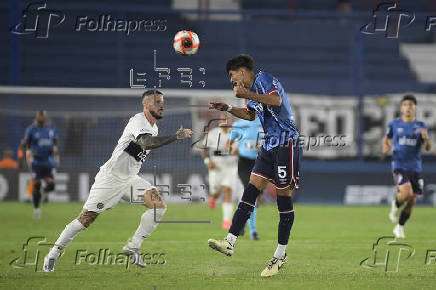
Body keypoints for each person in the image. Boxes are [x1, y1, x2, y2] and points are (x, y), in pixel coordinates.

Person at [43, 90, 192, 272]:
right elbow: (146, 143)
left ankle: (133, 246)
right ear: (145, 105)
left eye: (163, 102)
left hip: (129, 180)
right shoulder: (138, 121)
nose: (162, 106)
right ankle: (53, 252)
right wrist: (175, 136)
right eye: (157, 102)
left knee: (158, 206)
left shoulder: (154, 127)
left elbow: (145, 145)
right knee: (86, 219)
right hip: (111, 179)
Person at [208, 54, 302, 277]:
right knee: (251, 188)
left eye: (232, 76)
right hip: (269, 144)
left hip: (286, 143)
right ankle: (229, 241)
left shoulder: (265, 79)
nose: (232, 81)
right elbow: (250, 115)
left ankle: (280, 255)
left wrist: (246, 94)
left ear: (242, 72)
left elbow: (276, 101)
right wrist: (229, 107)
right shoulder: (252, 93)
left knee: (283, 198)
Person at [383, 95, 432, 238]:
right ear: (401, 108)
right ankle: (395, 205)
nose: (408, 108)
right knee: (407, 193)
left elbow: (427, 147)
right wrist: (385, 145)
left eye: (410, 105)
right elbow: (386, 138)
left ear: (415, 108)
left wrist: (426, 138)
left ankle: (399, 227)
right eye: (405, 105)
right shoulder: (394, 124)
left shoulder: (421, 126)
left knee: (412, 201)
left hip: (415, 167)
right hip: (399, 164)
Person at [227, 114, 263, 240]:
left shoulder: (264, 122)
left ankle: (240, 222)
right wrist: (232, 148)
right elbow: (228, 142)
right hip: (244, 163)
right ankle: (253, 232)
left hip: (259, 162)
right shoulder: (239, 124)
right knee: (250, 193)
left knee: (256, 198)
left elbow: (270, 141)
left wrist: (263, 146)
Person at [202, 113, 239, 230]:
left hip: (231, 167)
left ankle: (226, 221)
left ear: (231, 121)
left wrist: (235, 150)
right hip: (216, 167)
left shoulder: (236, 134)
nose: (225, 121)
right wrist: (208, 161)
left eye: (227, 119)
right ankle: (213, 197)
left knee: (228, 190)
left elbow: (238, 149)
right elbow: (203, 148)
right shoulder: (213, 134)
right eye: (223, 119)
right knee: (216, 192)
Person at [20, 111, 59, 219]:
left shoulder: (51, 129)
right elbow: (24, 144)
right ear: (37, 118)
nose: (41, 118)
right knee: (36, 184)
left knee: (51, 185)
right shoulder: (31, 129)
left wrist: (55, 150)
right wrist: (28, 151)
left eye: (43, 116)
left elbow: (55, 141)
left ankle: (43, 192)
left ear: (45, 117)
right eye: (39, 116)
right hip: (36, 162)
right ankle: (36, 210)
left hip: (48, 162)